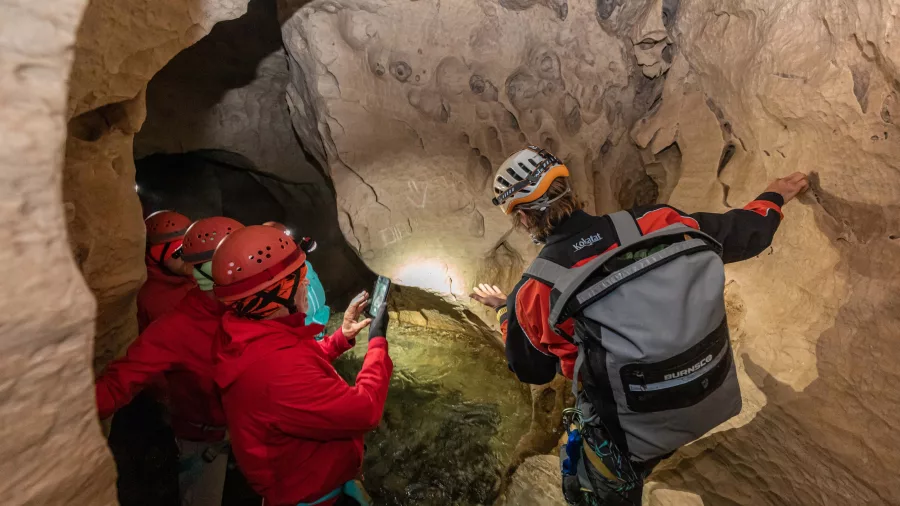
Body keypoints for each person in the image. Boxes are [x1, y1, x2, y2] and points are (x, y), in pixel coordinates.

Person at [471, 146, 808, 504]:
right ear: (569, 188)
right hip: (707, 391)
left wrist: (504, 312)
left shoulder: (534, 291)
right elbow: (741, 233)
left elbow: (531, 370)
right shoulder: (656, 222)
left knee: (588, 486)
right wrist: (773, 197)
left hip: (629, 430)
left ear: (523, 219)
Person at [211, 225, 392, 506]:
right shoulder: (277, 372)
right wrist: (378, 343)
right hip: (314, 497)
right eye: (300, 278)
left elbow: (298, 366)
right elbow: (366, 411)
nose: (307, 285)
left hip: (305, 480)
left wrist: (339, 339)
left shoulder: (249, 334)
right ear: (274, 293)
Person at [97, 217, 244, 506]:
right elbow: (119, 383)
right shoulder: (176, 325)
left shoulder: (244, 307)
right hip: (205, 437)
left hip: (245, 429)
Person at [263, 221, 331, 332]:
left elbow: (311, 246)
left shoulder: (302, 262)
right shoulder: (272, 279)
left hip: (321, 317)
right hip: (305, 330)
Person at [139, 210, 197, 332]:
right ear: (155, 254)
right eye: (179, 251)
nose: (191, 256)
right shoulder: (150, 300)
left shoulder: (197, 275)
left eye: (193, 246)